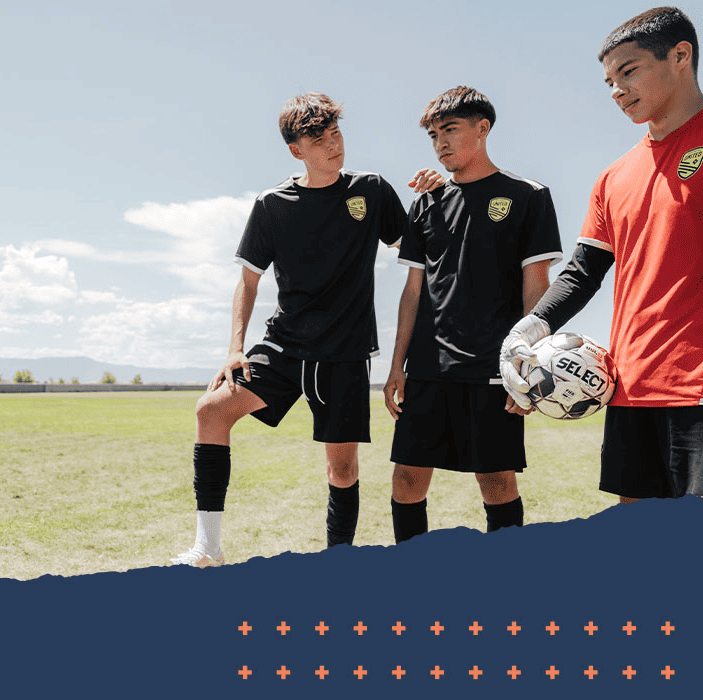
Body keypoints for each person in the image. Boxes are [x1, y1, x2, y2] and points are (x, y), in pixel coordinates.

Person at [172, 92, 444, 567]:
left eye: (336, 133)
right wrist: (235, 348)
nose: (333, 145)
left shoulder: (371, 190)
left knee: (341, 469)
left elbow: (418, 247)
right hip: (285, 345)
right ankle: (207, 548)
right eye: (319, 139)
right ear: (296, 150)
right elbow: (248, 281)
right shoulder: (273, 204)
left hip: (345, 350)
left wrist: (435, 197)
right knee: (211, 411)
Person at [501, 7, 703, 502]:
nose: (616, 90)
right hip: (630, 386)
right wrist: (525, 333)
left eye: (629, 72)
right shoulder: (614, 178)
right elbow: (583, 273)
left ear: (681, 56)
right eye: (609, 80)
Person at [385, 86, 563, 543]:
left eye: (450, 130)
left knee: (497, 482)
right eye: (432, 135)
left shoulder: (528, 196)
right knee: (406, 480)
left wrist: (527, 366)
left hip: (493, 366)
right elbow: (412, 291)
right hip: (428, 366)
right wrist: (396, 365)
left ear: (482, 129)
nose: (440, 142)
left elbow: (537, 289)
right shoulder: (425, 202)